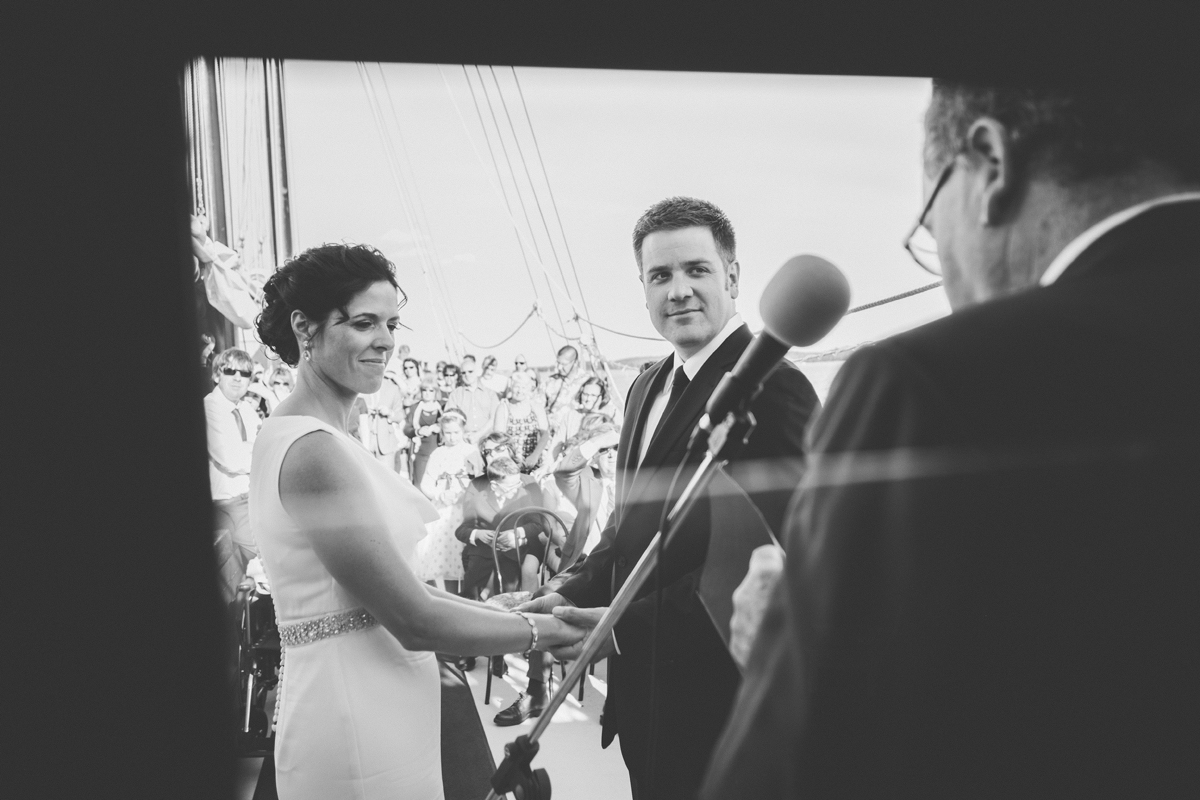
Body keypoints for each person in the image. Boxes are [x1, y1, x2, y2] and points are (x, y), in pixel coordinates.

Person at [700, 81, 1200, 800]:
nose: (951, 276)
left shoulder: (928, 385)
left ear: (990, 162)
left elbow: (793, 768)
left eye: (931, 226)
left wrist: (790, 648)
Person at [249, 243, 584, 800]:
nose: (385, 340)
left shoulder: (312, 436)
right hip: (357, 709)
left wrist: (497, 607)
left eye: (391, 323)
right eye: (363, 323)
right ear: (304, 329)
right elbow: (410, 617)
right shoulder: (314, 451)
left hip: (377, 691)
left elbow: (381, 594)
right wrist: (542, 631)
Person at [519, 196, 819, 799]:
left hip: (726, 708)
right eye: (660, 276)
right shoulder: (644, 387)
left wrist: (624, 625)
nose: (678, 290)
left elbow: (786, 562)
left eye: (696, 270)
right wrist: (563, 593)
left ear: (732, 276)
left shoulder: (777, 388)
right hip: (643, 708)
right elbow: (627, 530)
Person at [204, 347, 262, 604]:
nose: (238, 378)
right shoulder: (210, 408)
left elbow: (259, 450)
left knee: (252, 577)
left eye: (245, 373)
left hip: (249, 498)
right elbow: (230, 459)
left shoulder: (247, 411)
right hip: (225, 505)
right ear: (217, 375)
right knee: (240, 575)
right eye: (230, 371)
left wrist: (251, 453)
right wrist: (255, 454)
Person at [415, 410, 483, 594]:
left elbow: (479, 480)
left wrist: (464, 493)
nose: (452, 437)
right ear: (442, 433)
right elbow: (427, 482)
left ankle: (468, 596)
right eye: (448, 433)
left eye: (456, 433)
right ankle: (447, 595)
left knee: (463, 554)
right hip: (444, 510)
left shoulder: (471, 452)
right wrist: (439, 494)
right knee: (443, 554)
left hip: (464, 508)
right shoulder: (438, 453)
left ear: (463, 431)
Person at [552, 419, 620, 569]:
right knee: (547, 592)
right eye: (604, 449)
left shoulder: (637, 480)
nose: (611, 455)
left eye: (617, 448)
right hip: (584, 564)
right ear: (595, 456)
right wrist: (597, 442)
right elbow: (563, 472)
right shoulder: (586, 479)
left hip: (624, 564)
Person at [492, 369, 550, 474]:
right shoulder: (503, 408)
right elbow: (499, 439)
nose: (520, 391)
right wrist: (512, 462)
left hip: (534, 463)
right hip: (510, 465)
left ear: (529, 388)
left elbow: (545, 435)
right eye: (517, 387)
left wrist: (535, 456)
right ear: (511, 387)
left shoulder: (536, 407)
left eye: (523, 387)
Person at [548, 375, 618, 460]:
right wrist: (547, 466)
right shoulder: (571, 416)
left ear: (601, 397)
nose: (588, 399)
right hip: (573, 462)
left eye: (593, 395)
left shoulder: (609, 416)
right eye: (585, 394)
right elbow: (556, 445)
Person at [447, 353, 500, 447]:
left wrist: (478, 434)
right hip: (463, 442)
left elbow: (494, 419)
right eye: (463, 373)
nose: (467, 375)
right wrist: (463, 436)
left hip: (486, 441)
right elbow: (450, 419)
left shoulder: (491, 394)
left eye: (470, 371)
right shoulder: (455, 395)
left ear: (477, 372)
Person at [404, 374, 443, 486]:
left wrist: (440, 428)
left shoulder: (442, 407)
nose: (427, 393)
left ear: (436, 392)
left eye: (431, 390)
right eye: (424, 390)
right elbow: (406, 429)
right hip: (420, 451)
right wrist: (418, 432)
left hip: (437, 450)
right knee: (419, 484)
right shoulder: (415, 407)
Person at [542, 344, 591, 418]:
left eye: (564, 364)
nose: (559, 367)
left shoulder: (587, 382)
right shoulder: (549, 381)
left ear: (575, 363)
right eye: (558, 363)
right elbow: (537, 406)